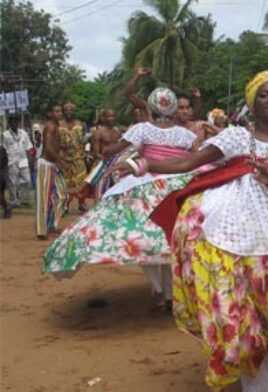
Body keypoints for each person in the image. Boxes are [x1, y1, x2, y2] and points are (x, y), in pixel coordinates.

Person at [136, 71, 268, 391]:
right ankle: (257, 378)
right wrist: (143, 165)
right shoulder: (236, 137)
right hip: (238, 228)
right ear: (252, 103)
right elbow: (189, 163)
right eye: (263, 95)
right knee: (247, 307)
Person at [43, 88, 204, 309]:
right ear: (174, 107)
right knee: (170, 239)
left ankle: (159, 290)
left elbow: (111, 150)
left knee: (141, 239)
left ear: (152, 106)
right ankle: (171, 292)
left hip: (144, 186)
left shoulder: (141, 129)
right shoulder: (186, 135)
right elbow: (195, 159)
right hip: (179, 187)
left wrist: (109, 147)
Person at [36, 105, 67, 240]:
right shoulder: (50, 126)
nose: (60, 113)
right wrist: (60, 160)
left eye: (60, 111)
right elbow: (48, 147)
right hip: (46, 164)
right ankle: (42, 231)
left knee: (62, 196)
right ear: (50, 113)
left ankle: (51, 225)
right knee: (44, 198)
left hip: (53, 164)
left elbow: (54, 145)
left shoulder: (57, 128)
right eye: (57, 111)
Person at [83, 108, 124, 199]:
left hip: (116, 166)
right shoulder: (98, 133)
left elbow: (122, 149)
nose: (111, 118)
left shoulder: (118, 132)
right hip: (102, 165)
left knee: (116, 193)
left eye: (113, 116)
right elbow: (95, 153)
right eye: (109, 116)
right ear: (104, 118)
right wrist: (105, 162)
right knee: (100, 193)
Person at [59, 101, 88, 213]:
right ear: (63, 111)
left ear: (74, 111)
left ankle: (81, 203)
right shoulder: (59, 125)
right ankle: (65, 205)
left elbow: (84, 141)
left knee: (81, 181)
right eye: (66, 110)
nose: (68, 112)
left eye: (71, 109)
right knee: (65, 182)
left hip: (78, 158)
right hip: (63, 159)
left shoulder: (81, 124)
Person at [2, 118, 33, 207]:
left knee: (27, 180)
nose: (14, 123)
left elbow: (29, 147)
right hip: (11, 162)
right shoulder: (5, 135)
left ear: (18, 123)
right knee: (12, 183)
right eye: (12, 122)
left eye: (16, 121)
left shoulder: (23, 133)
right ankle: (13, 201)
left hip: (23, 160)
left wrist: (30, 159)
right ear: (10, 123)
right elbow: (3, 149)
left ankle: (22, 199)